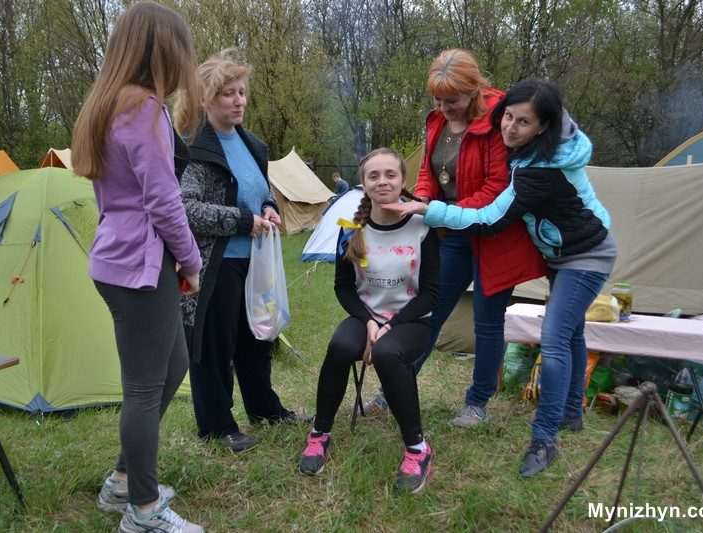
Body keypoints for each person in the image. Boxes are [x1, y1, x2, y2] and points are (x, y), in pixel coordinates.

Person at [383, 79, 617, 478]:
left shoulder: (539, 172)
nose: (509, 127)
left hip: (587, 255)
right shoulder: (533, 150)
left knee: (555, 338)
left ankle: (545, 439)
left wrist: (428, 210)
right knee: (572, 331)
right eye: (507, 117)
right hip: (559, 252)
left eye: (523, 122)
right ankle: (571, 413)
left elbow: (490, 218)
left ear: (543, 126)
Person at [71, 3, 205, 532]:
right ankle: (144, 511)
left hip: (120, 259)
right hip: (140, 265)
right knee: (145, 390)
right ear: (164, 51)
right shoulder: (143, 108)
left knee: (173, 366)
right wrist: (191, 261)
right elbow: (164, 201)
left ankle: (124, 481)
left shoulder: (111, 102)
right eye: (183, 50)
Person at [364, 49, 546, 428]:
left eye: (452, 100)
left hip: (495, 235)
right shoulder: (436, 121)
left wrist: (436, 211)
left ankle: (477, 402)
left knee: (487, 322)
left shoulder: (499, 121)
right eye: (437, 100)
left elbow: (497, 189)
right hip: (451, 235)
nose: (443, 108)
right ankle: (395, 387)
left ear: (474, 90)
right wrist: (421, 200)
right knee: (427, 313)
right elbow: (428, 173)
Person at [179, 49, 312, 454]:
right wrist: (241, 220)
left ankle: (265, 409)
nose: (239, 101)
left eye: (241, 92)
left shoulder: (251, 144)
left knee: (257, 338)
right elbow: (185, 209)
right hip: (214, 265)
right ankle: (217, 425)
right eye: (228, 94)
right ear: (206, 99)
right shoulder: (194, 148)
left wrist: (269, 206)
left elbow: (262, 190)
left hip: (255, 260)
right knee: (214, 346)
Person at [298, 148, 440, 494]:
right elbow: (343, 289)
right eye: (373, 176)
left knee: (388, 353)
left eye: (390, 174)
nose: (382, 182)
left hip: (412, 322)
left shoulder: (423, 227)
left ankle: (417, 448)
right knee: (340, 345)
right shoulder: (351, 230)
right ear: (363, 183)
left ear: (403, 181)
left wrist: (390, 325)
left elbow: (431, 293)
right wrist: (369, 321)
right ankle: (320, 433)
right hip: (366, 318)